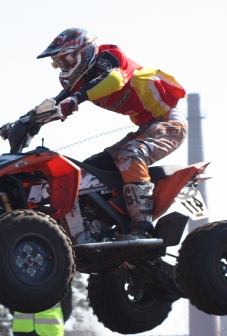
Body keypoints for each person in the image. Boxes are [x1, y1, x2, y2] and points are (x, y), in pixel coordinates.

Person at [37, 28, 188, 240]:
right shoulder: (79, 83)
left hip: (169, 122)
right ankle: (101, 224)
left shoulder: (109, 57)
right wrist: (22, 122)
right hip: (145, 129)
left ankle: (142, 228)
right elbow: (54, 103)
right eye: (59, 63)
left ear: (82, 52)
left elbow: (115, 79)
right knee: (89, 169)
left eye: (65, 60)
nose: (63, 67)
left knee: (130, 154)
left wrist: (77, 98)